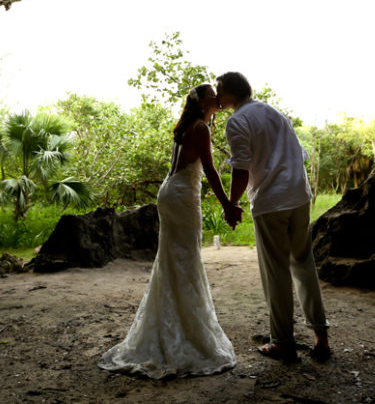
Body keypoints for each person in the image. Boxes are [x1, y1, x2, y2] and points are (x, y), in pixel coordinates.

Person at [98, 84, 240, 378]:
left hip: (172, 192)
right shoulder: (200, 127)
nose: (218, 99)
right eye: (213, 95)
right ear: (202, 102)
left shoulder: (188, 126)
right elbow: (211, 171)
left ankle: (171, 325)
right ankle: (185, 333)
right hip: (181, 197)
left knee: (173, 260)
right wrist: (228, 204)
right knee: (185, 260)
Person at [215, 71, 331, 364]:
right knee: (304, 264)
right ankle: (321, 337)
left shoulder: (237, 120)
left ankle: (283, 344)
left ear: (230, 93)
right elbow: (297, 153)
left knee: (276, 273)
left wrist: (232, 203)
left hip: (271, 201)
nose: (217, 96)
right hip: (299, 196)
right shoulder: (273, 112)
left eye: (219, 90)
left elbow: (241, 167)